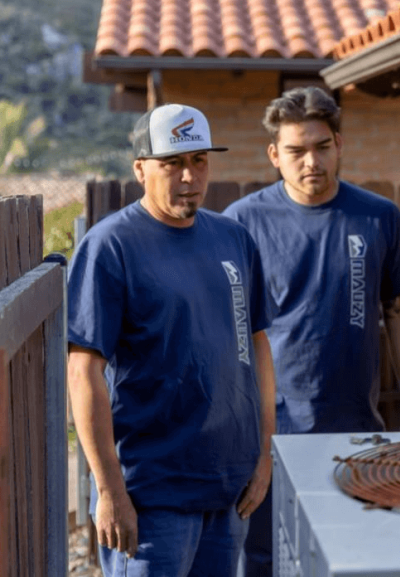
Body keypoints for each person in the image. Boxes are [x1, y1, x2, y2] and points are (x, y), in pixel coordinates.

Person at [223, 86, 400, 577]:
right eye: (296, 150)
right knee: (265, 556)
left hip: (354, 430)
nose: (310, 161)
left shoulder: (379, 218)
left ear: (339, 144)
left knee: (351, 555)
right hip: (265, 437)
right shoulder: (242, 224)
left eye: (321, 147)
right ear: (275, 155)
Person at [66, 104, 276, 576]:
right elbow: (83, 372)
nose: (188, 176)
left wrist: (264, 455)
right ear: (141, 169)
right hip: (152, 500)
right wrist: (109, 491)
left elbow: (257, 345)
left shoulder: (233, 239)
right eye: (172, 163)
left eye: (199, 161)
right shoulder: (110, 246)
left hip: (230, 492)